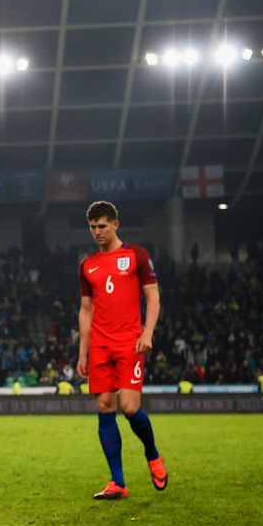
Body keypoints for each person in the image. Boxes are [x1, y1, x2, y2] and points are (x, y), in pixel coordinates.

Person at [76, 200, 167, 501]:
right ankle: (118, 482)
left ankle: (152, 454)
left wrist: (148, 332)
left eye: (102, 226)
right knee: (104, 406)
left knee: (129, 407)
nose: (97, 232)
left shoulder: (136, 255)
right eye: (92, 227)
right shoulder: (87, 265)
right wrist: (83, 353)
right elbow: (85, 310)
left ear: (116, 224)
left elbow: (153, 298)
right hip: (100, 345)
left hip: (129, 341)